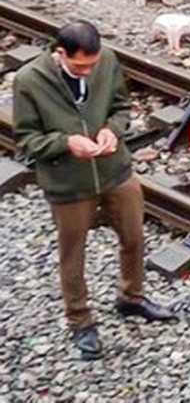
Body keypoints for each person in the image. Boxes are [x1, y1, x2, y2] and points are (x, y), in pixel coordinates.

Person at [13, 21, 177, 360]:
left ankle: (131, 298)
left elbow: (120, 108)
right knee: (73, 255)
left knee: (133, 238)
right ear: (59, 54)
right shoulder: (29, 81)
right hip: (68, 183)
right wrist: (65, 143)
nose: (88, 72)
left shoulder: (109, 61)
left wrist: (112, 130)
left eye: (93, 64)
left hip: (115, 170)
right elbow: (26, 140)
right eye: (80, 66)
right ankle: (80, 321)